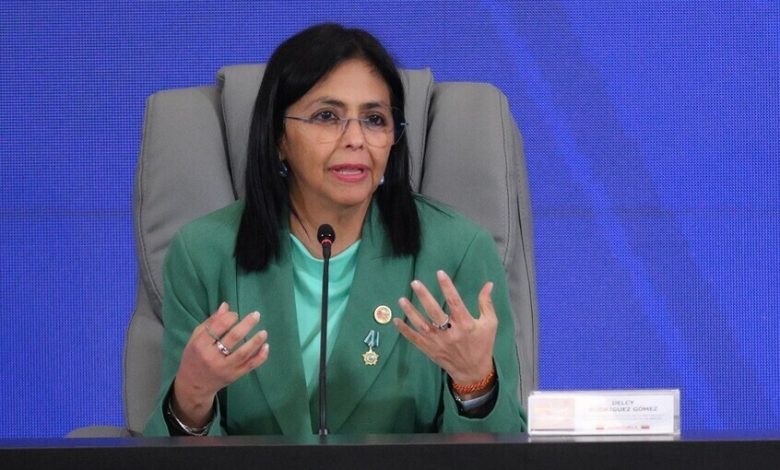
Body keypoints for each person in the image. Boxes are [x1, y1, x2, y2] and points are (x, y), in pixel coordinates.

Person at [144, 23, 525, 436]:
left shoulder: (457, 250)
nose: (356, 139)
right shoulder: (203, 253)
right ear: (278, 137)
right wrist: (191, 396)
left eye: (375, 119)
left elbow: (504, 449)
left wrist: (474, 384)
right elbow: (167, 455)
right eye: (327, 116)